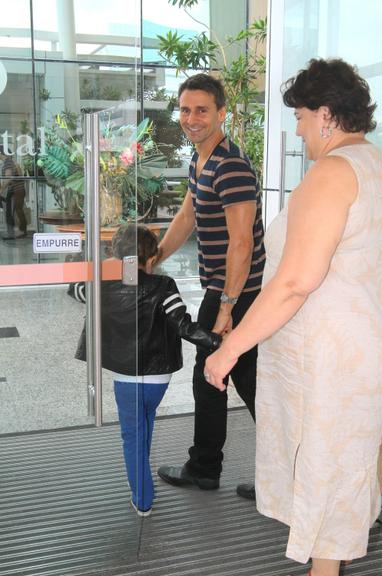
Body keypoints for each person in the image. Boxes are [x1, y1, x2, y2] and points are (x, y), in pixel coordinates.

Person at [204, 58, 382, 576]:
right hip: (357, 348)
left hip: (326, 359)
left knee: (325, 471)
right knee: (339, 473)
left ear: (326, 115)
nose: (300, 130)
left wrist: (229, 350)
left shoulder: (333, 172)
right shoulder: (374, 164)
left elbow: (294, 281)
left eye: (302, 118)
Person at [156, 73, 265, 497]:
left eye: (202, 109)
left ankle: (211, 468)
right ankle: (212, 467)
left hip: (237, 293)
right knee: (230, 381)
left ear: (222, 113)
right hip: (226, 291)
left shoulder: (231, 165)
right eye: (185, 109)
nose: (191, 118)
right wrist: (153, 258)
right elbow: (187, 217)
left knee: (228, 380)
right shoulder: (202, 159)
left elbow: (242, 242)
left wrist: (225, 307)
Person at [75, 224, 221, 516]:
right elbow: (183, 325)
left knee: (133, 435)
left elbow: (76, 289)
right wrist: (217, 341)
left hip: (127, 377)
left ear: (115, 256)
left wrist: (105, 269)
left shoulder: (101, 284)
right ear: (152, 259)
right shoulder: (163, 286)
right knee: (145, 421)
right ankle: (142, 480)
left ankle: (143, 499)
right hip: (158, 378)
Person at [0, 148, 27, 240]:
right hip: (16, 190)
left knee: (14, 211)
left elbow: (8, 177)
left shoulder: (8, 162)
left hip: (16, 190)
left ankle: (16, 233)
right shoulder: (11, 162)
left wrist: (1, 189)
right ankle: (20, 232)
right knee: (17, 211)